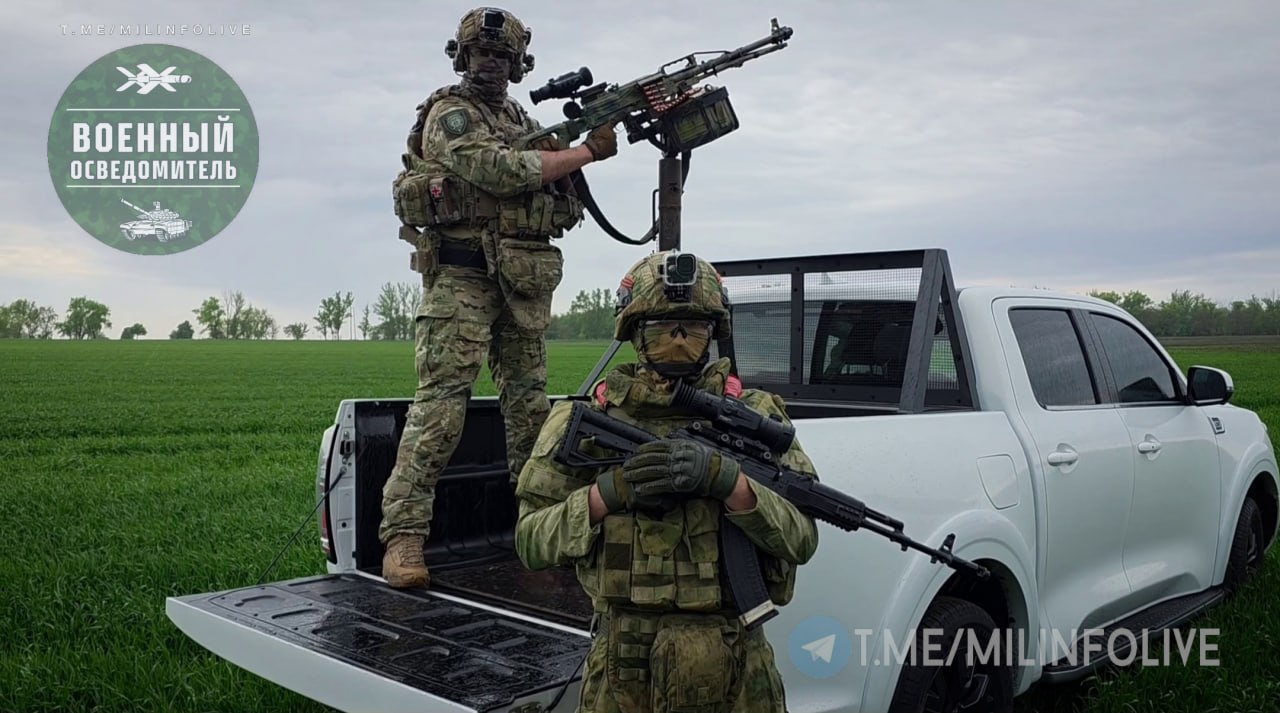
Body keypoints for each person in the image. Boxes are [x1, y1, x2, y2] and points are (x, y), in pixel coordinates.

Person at [514, 251, 820, 713]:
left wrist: (731, 484)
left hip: (738, 664)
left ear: (714, 332)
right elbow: (531, 541)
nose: (679, 339)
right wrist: (608, 494)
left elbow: (802, 539)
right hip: (623, 669)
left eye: (694, 327)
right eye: (662, 327)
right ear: (635, 331)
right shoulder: (588, 420)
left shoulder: (755, 419)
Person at [381, 6, 622, 588]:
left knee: (531, 415)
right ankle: (403, 538)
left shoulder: (520, 118)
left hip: (521, 281)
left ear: (518, 64)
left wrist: (568, 160)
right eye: (481, 53)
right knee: (441, 411)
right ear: (462, 56)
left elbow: (551, 187)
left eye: (501, 55)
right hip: (461, 279)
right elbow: (498, 171)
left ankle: (539, 530)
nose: (490, 63)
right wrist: (586, 152)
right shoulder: (450, 113)